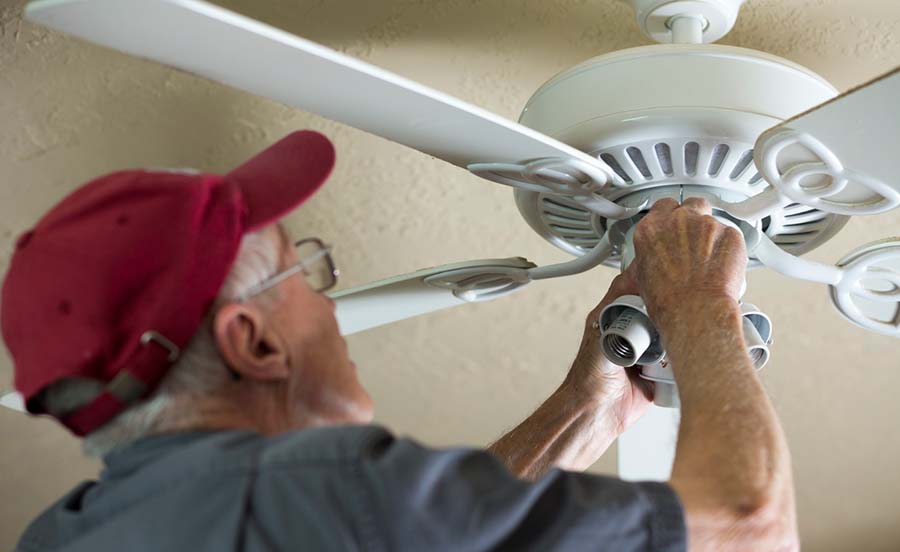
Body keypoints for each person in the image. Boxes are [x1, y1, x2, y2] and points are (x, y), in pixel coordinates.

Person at [3, 131, 797, 551]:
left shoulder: (60, 536)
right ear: (253, 342)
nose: (326, 302)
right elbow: (747, 529)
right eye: (305, 276)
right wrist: (698, 301)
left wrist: (586, 413)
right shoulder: (314, 486)